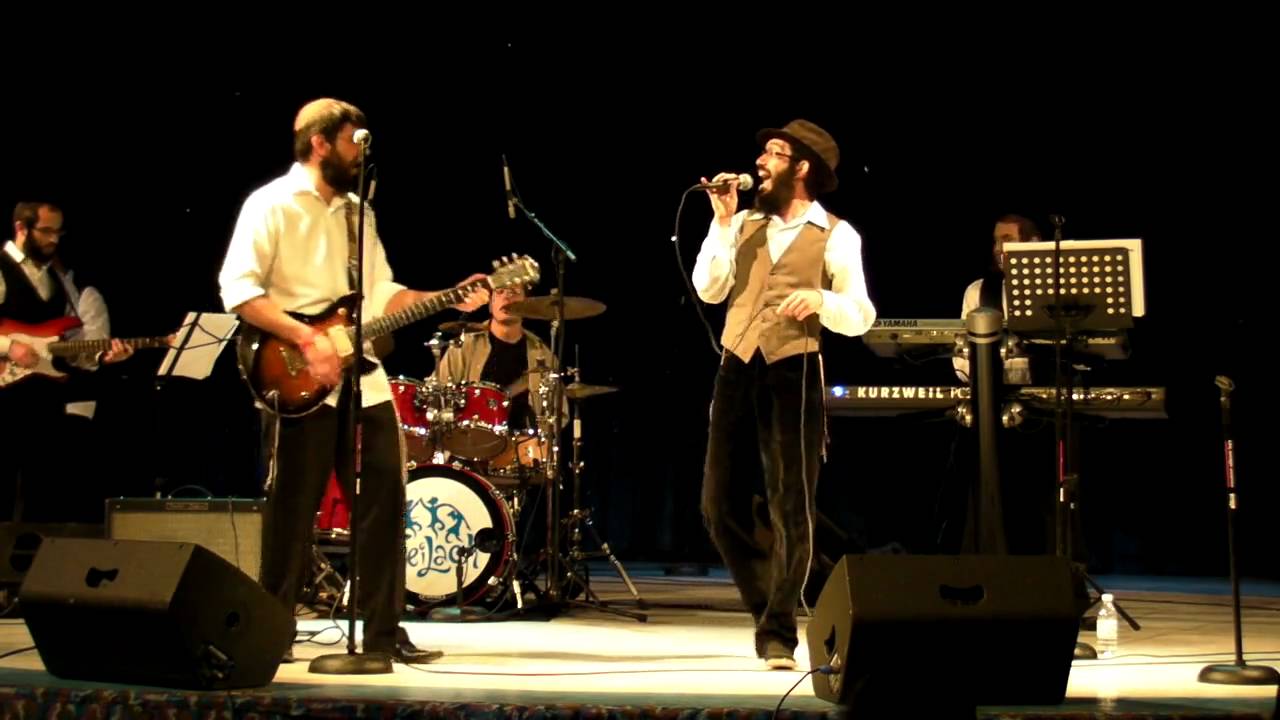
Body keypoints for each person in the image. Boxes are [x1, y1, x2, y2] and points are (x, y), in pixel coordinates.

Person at [217, 98, 489, 664]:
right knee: (293, 511)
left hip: (362, 376)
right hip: (297, 374)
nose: (361, 154)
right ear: (320, 143)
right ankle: (272, 632)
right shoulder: (270, 203)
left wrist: (446, 296)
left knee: (384, 504)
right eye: (352, 142)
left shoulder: (357, 213)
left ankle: (383, 636)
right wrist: (307, 339)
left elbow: (382, 294)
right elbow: (238, 290)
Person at [692, 119, 877, 669]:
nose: (760, 162)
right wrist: (721, 222)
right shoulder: (741, 223)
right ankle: (768, 606)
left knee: (790, 505)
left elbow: (861, 315)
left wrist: (820, 300)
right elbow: (709, 290)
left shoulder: (837, 234)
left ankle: (777, 631)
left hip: (793, 370)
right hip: (736, 365)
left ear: (801, 168)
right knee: (718, 505)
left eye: (774, 153)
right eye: (764, 152)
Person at [0, 201, 132, 523]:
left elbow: (67, 343)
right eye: (46, 231)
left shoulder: (56, 280)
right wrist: (9, 346)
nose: (53, 240)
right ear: (21, 228)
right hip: (4, 395)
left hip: (41, 400)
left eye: (58, 233)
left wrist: (102, 355)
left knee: (36, 502)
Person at [432, 281, 567, 443]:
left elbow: (560, 414)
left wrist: (537, 440)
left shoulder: (543, 355)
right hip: (469, 443)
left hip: (523, 449)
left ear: (527, 305)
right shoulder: (464, 346)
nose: (506, 297)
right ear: (490, 305)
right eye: (500, 291)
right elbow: (436, 395)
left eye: (513, 292)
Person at [953, 214, 1041, 385]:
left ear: (1033, 243)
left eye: (1007, 240)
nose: (997, 248)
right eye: (996, 241)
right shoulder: (977, 291)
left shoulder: (1058, 290)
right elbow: (962, 364)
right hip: (993, 396)